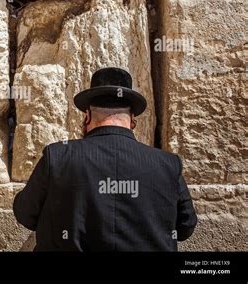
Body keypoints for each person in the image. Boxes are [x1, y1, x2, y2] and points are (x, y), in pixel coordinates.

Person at [13, 67, 197, 251]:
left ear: (88, 116)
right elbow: (186, 227)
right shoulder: (168, 164)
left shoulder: (57, 156)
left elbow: (25, 215)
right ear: (132, 119)